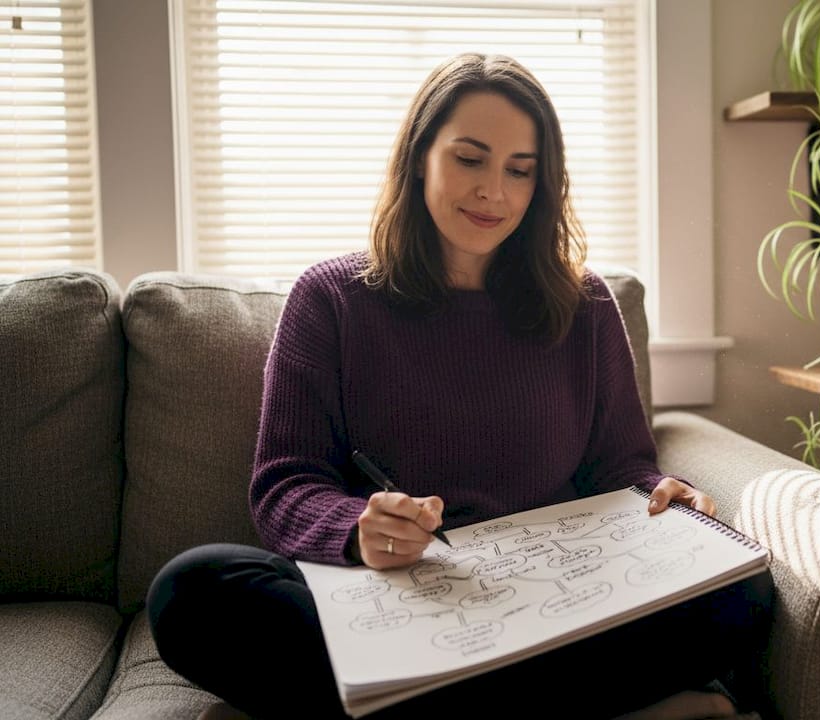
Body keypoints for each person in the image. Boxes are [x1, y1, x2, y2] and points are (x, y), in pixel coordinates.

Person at [147, 53, 772, 720]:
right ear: (421, 157)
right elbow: (283, 487)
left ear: (543, 184)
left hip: (555, 601)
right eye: (469, 159)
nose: (492, 191)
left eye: (519, 171)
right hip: (395, 605)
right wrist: (358, 531)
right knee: (191, 591)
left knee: (743, 592)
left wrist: (662, 500)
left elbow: (622, 468)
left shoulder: (584, 306)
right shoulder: (329, 299)